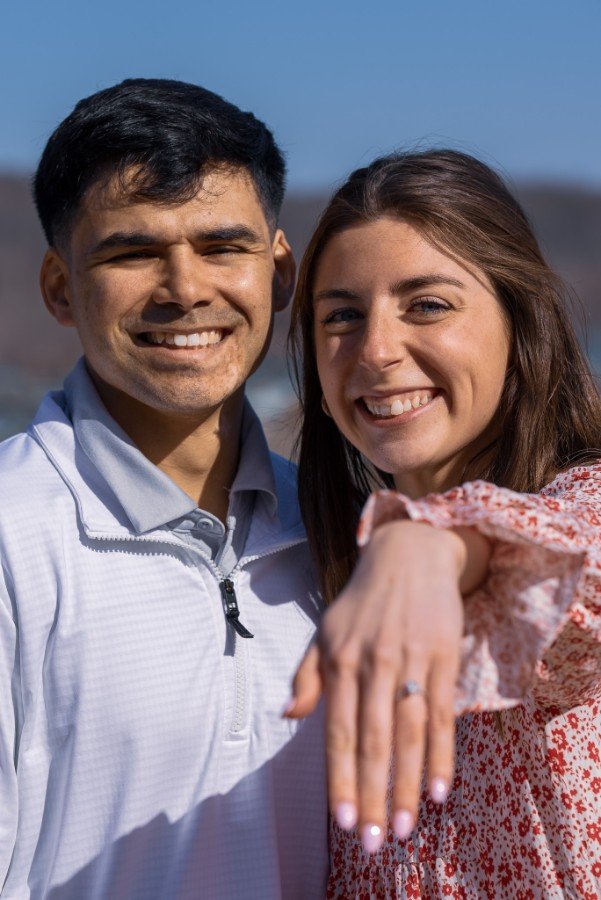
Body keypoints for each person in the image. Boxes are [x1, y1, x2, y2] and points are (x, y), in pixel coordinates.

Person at [0, 78, 328, 898]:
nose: (185, 289)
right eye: (132, 252)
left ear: (279, 273)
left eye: (221, 247)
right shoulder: (13, 535)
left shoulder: (340, 532)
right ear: (60, 288)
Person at [287, 149, 601, 898]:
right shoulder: (324, 573)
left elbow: (567, 561)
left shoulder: (581, 507)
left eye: (427, 305)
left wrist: (428, 541)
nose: (376, 350)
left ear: (521, 324)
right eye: (341, 316)